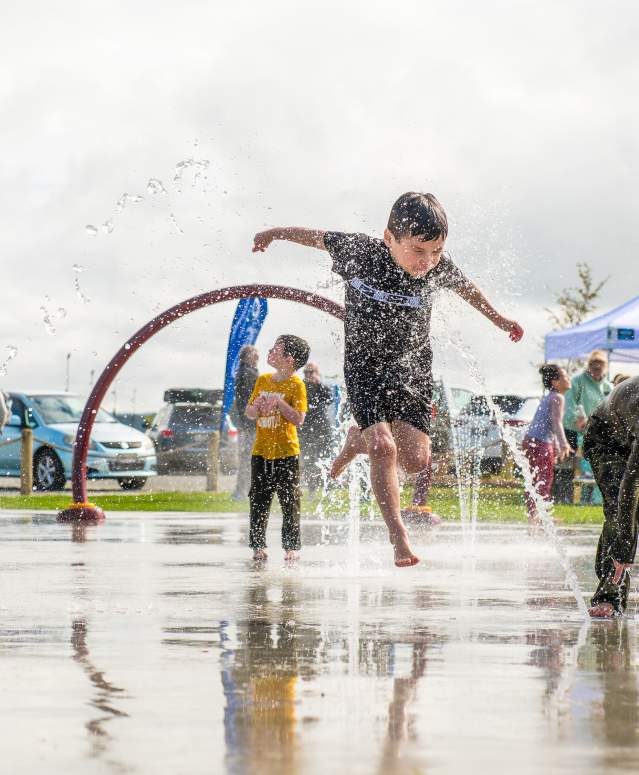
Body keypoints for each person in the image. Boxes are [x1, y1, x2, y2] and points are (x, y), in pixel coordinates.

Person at [253, 192, 524, 566]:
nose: (427, 262)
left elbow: (467, 290)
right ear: (388, 238)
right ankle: (398, 536)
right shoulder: (359, 252)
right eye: (417, 250)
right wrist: (274, 233)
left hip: (413, 368)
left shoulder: (437, 268)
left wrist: (501, 320)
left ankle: (355, 442)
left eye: (437, 251)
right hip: (364, 365)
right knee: (384, 446)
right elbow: (314, 237)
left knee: (414, 461)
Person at [245, 335, 309, 562]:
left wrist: (279, 403)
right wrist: (258, 406)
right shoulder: (262, 380)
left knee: (289, 500)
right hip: (261, 451)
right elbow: (250, 412)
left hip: (287, 452)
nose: (270, 352)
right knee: (258, 499)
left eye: (275, 349)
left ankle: (292, 547)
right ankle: (257, 546)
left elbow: (298, 418)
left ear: (289, 359)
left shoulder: (296, 385)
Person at [583, 376, 639, 618]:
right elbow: (631, 484)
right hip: (607, 440)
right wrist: (624, 549)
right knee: (620, 512)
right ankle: (609, 594)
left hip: (628, 428)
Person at [554, 351, 613, 504]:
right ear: (589, 366)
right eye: (593, 368)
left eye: (599, 369)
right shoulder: (578, 381)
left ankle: (590, 500)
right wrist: (577, 418)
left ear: (604, 368)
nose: (596, 372)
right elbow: (569, 403)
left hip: (596, 434)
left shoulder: (608, 387)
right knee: (566, 466)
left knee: (593, 468)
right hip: (573, 430)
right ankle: (562, 498)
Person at [522, 365, 573, 525]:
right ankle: (540, 516)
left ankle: (534, 515)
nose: (568, 379)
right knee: (544, 478)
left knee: (534, 479)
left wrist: (556, 446)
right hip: (540, 442)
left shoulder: (550, 396)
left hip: (531, 440)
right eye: (565, 376)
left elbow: (550, 424)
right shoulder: (558, 397)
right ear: (555, 382)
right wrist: (564, 445)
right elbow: (556, 423)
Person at [299, 362, 334, 493]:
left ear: (316, 373)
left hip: (322, 427)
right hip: (306, 428)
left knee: (325, 456)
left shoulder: (320, 386)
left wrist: (318, 383)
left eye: (311, 371)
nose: (308, 375)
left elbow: (329, 399)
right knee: (309, 459)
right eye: (306, 372)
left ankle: (327, 487)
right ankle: (312, 488)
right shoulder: (301, 386)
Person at [232, 344, 259, 499]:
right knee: (248, 457)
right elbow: (251, 399)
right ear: (248, 357)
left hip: (247, 423)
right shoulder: (247, 373)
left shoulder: (244, 372)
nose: (257, 360)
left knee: (248, 457)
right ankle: (242, 490)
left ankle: (244, 489)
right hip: (250, 424)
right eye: (255, 356)